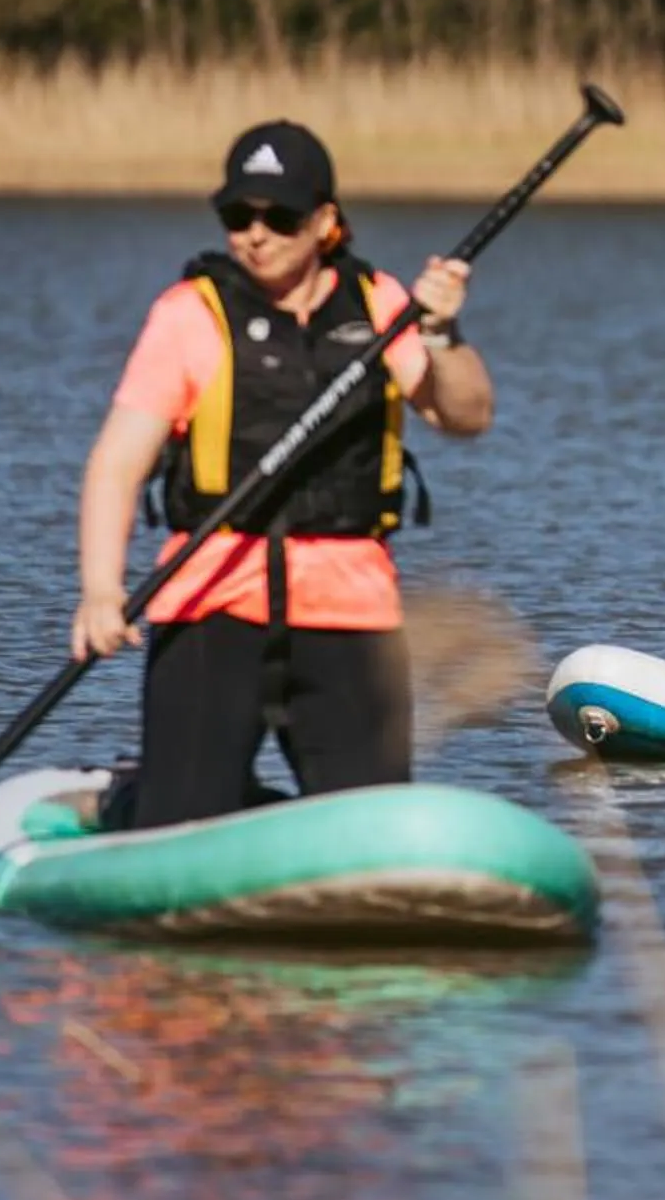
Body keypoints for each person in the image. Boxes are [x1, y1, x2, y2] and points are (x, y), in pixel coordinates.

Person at [71, 118, 493, 827]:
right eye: (239, 215)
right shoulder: (189, 317)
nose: (255, 233)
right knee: (182, 819)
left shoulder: (384, 307)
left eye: (280, 216)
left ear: (326, 222)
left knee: (372, 825)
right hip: (210, 602)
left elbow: (467, 414)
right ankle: (135, 797)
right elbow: (116, 462)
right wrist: (100, 591)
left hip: (349, 610)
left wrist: (443, 335)